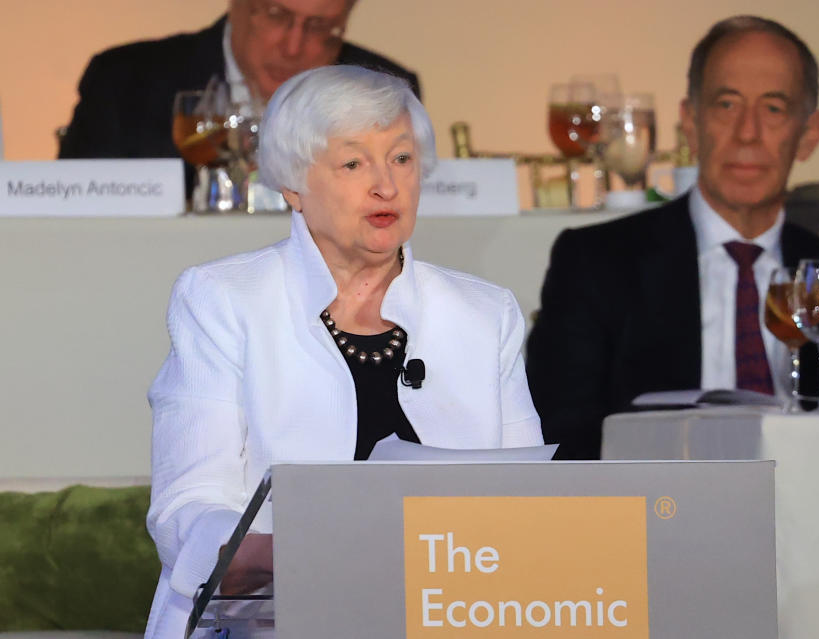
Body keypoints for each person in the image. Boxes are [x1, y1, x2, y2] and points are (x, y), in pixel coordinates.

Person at [143, 66, 541, 638]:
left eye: (401, 159)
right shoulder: (223, 300)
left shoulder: (485, 314)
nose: (386, 185)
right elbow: (189, 506)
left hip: (451, 616)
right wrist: (299, 556)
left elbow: (528, 502)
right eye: (354, 163)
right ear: (292, 185)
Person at [526, 16, 819, 460]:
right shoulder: (595, 265)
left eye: (773, 109)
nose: (748, 133)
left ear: (809, 134)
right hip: (650, 517)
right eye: (727, 105)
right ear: (691, 124)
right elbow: (560, 440)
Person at [58, 0, 420, 162]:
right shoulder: (124, 83)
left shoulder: (384, 89)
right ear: (238, 5)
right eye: (277, 16)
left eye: (319, 27)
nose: (294, 47)